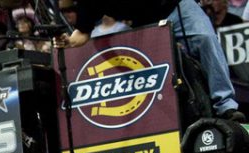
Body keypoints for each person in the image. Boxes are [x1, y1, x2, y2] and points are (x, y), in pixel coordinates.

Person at [56, 0, 247, 121]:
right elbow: (82, 33)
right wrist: (68, 42)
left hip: (176, 6)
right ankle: (167, 121)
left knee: (206, 38)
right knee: (151, 71)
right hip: (145, 24)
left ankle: (225, 106)